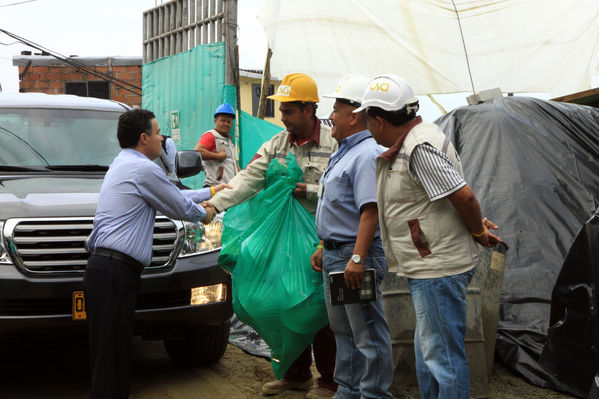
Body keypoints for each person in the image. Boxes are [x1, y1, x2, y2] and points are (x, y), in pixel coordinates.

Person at [355, 74, 502, 399]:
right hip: (430, 266)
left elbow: (464, 198)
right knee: (430, 353)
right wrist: (472, 225)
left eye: (367, 119)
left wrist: (478, 231)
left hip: (439, 269)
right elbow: (444, 199)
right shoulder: (412, 142)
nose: (366, 126)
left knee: (442, 358)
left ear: (380, 121)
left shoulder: (418, 148)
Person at [203, 73, 339, 399]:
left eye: (289, 110)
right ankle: (296, 374)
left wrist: (308, 189)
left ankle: (330, 381)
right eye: (282, 111)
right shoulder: (276, 145)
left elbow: (345, 192)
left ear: (309, 109)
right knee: (282, 306)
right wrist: (213, 204)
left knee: (321, 312)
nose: (282, 117)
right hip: (285, 244)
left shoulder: (335, 144)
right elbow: (248, 180)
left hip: (322, 241)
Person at [84, 108, 229, 399]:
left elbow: (172, 195)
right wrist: (208, 212)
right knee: (112, 354)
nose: (162, 138)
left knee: (110, 351)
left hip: (106, 270)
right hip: (114, 273)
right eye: (158, 132)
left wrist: (211, 192)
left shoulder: (126, 164)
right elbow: (180, 208)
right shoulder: (143, 169)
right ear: (144, 137)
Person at [311, 74, 393, 398]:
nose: (331, 115)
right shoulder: (345, 151)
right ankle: (349, 390)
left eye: (336, 108)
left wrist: (357, 258)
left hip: (353, 256)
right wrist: (323, 245)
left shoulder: (366, 154)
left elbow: (369, 212)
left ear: (355, 114)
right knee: (345, 330)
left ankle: (373, 395)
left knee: (368, 334)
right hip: (339, 254)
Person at [194, 103, 239, 186]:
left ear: (232, 124)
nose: (226, 124)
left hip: (228, 188)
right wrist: (218, 156)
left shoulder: (229, 141)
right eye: (222, 121)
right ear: (215, 121)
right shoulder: (211, 135)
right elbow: (197, 152)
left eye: (228, 122)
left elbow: (234, 163)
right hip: (214, 187)